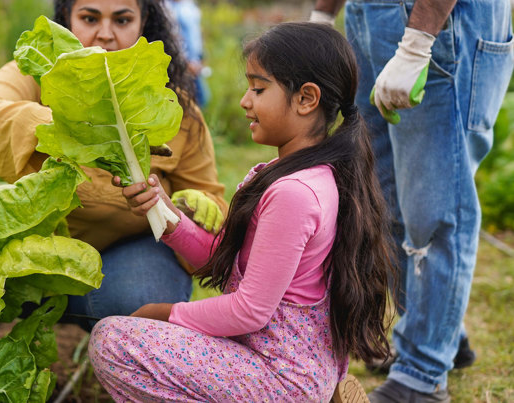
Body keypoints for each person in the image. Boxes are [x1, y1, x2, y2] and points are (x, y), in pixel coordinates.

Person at [88, 22, 397, 402]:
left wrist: (167, 312)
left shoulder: (294, 194)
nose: (245, 101)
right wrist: (166, 215)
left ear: (306, 99)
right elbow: (231, 260)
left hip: (280, 374)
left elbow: (250, 311)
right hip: (281, 362)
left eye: (259, 88)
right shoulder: (308, 176)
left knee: (113, 340)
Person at [0, 0, 227, 333]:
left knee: (146, 297)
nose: (105, 34)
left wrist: (193, 205)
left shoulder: (175, 105)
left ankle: (104, 331)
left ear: (144, 24)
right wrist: (65, 128)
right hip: (33, 250)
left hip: (125, 254)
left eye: (122, 20)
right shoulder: (38, 68)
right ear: (67, 22)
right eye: (89, 18)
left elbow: (209, 195)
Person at [310, 0, 514, 401]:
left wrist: (418, 42)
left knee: (436, 207)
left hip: (441, 21)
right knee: (382, 198)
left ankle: (421, 374)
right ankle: (438, 332)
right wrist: (323, 15)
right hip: (369, 16)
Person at [166, 0, 210, 107]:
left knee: (201, 99)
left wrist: (201, 57)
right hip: (181, 63)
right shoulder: (166, 7)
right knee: (184, 100)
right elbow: (171, 39)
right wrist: (184, 63)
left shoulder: (189, 5)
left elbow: (196, 34)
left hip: (195, 61)